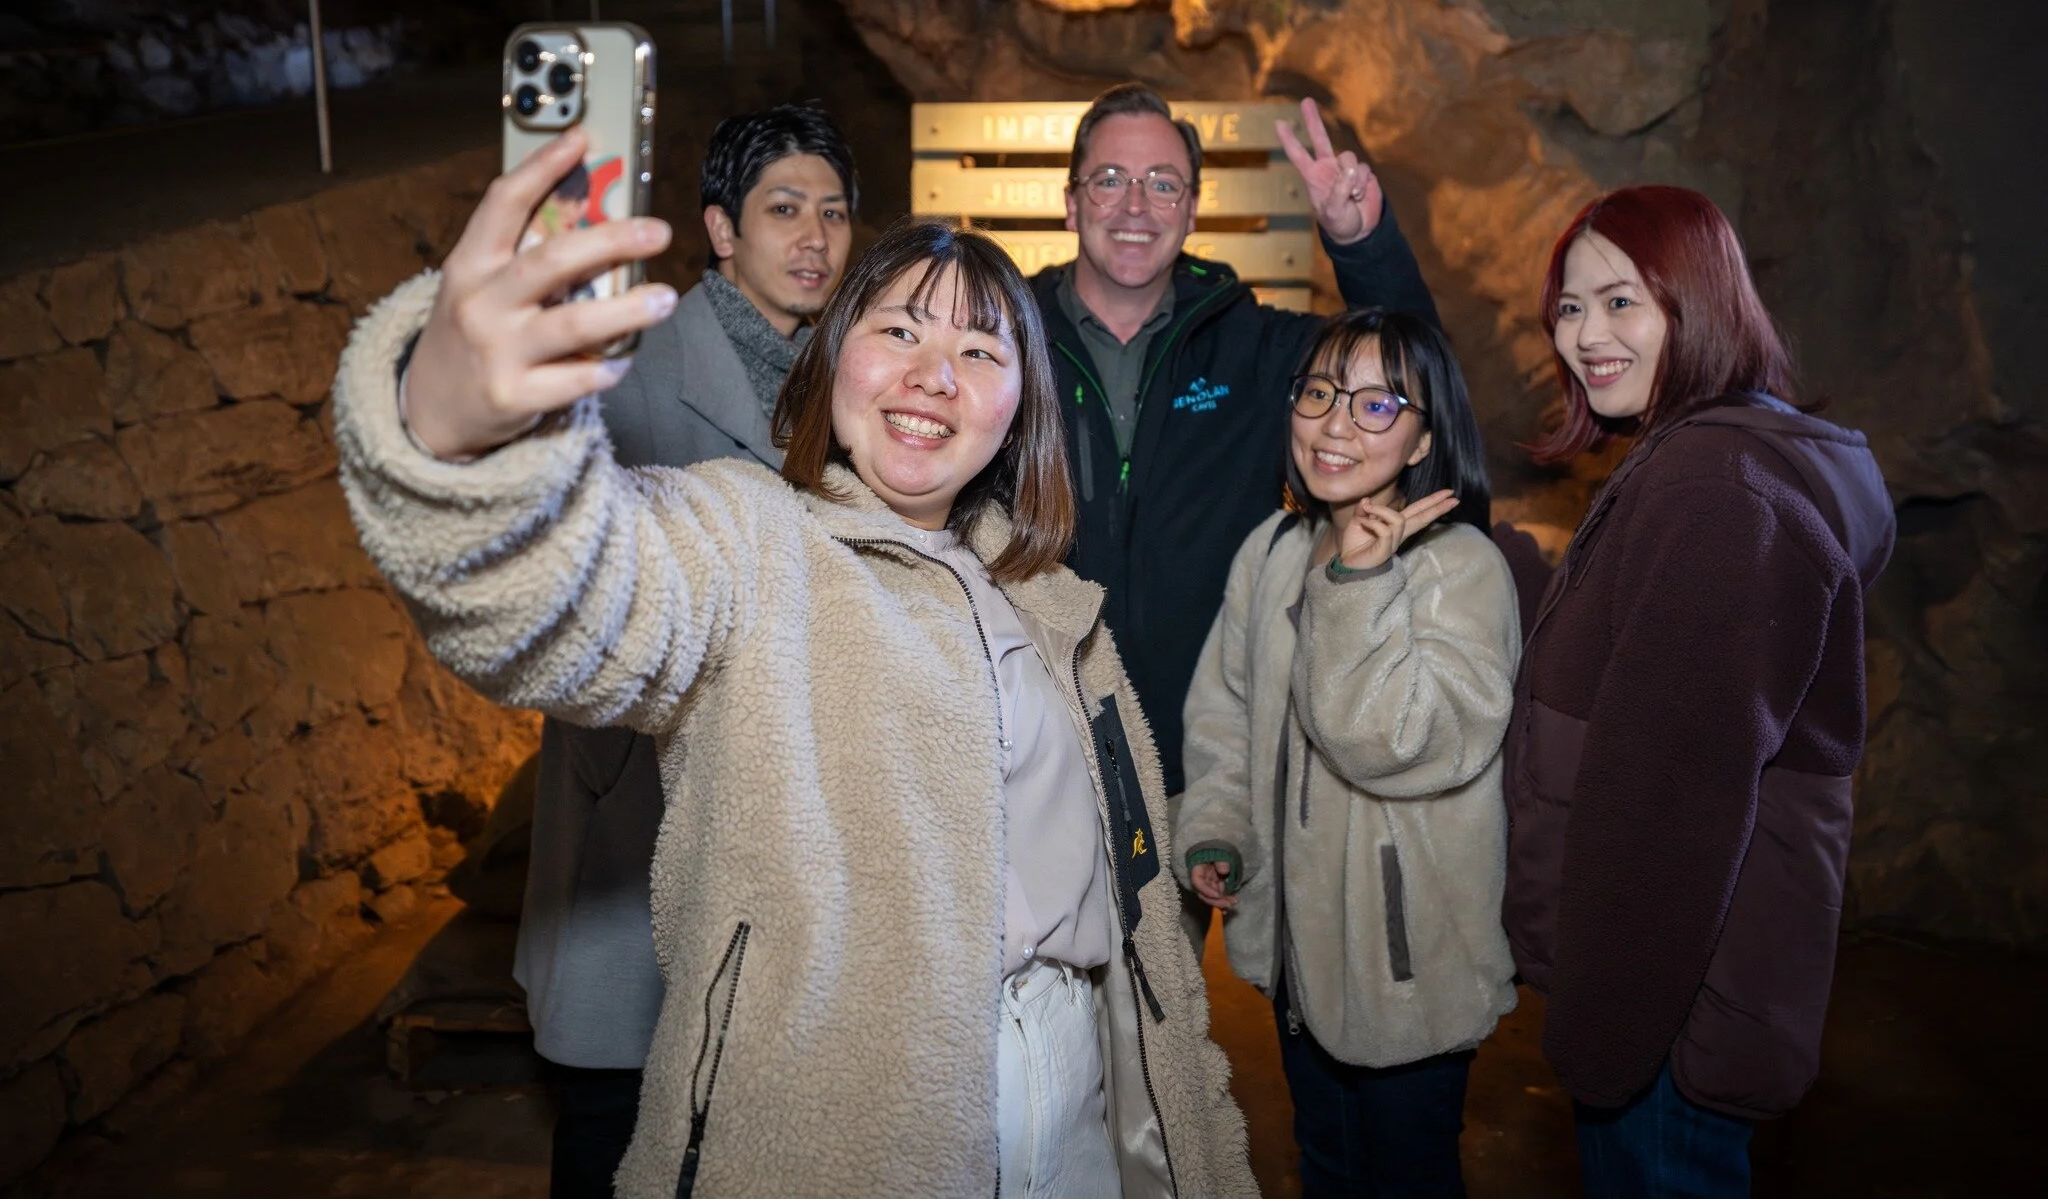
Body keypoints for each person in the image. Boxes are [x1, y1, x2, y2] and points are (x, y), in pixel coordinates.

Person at [334, 129, 1259, 1199]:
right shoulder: (754, 542)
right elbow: (568, 605)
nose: (932, 376)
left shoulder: (1048, 601)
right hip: (850, 1120)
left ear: (1018, 408)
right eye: (898, 328)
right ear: (833, 357)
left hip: (1076, 1090)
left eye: (980, 350)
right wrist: (458, 451)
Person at [1501, 186, 1895, 1196]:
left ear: (1700, 302)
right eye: (1568, 306)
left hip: (1668, 1016)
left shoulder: (1713, 491)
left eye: (1621, 301)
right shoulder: (1722, 456)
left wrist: (1600, 1037)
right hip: (1695, 993)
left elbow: (1665, 807)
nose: (1585, 335)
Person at [514, 103, 856, 1199]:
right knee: (620, 1104)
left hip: (795, 796)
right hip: (642, 793)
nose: (814, 238)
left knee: (757, 1115)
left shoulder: (854, 370)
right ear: (721, 230)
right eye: (783, 209)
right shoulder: (629, 357)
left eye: (835, 213)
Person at [1030, 82, 1440, 955]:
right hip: (1033, 764)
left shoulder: (1257, 349)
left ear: (1192, 208)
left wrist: (1361, 242)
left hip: (1191, 772)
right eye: (1109, 178)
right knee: (1032, 1047)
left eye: (1163, 183)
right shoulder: (1005, 336)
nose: (1135, 205)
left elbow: (1408, 373)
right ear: (1070, 202)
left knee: (1162, 1046)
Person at [1177, 308, 1520, 1197]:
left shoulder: (1459, 569)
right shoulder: (1275, 549)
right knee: (1326, 1167)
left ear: (1421, 441)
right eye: (1322, 391)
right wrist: (1219, 827)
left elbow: (1396, 743)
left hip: (1408, 972)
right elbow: (1225, 712)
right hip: (1296, 952)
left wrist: (1362, 587)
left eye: (1377, 404)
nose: (1336, 422)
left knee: (1406, 1176)